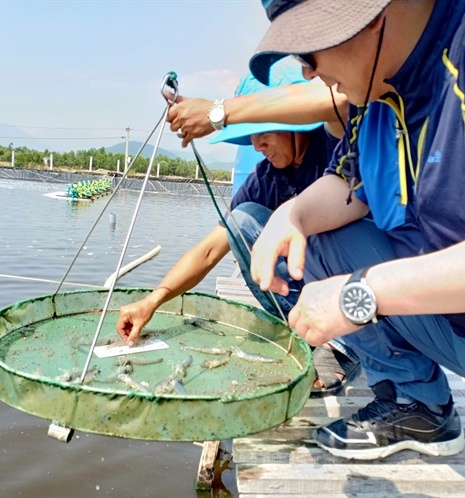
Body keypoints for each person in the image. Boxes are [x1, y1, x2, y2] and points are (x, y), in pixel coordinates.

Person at [246, 0, 465, 460]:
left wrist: (361, 293)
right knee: (314, 239)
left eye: (308, 54)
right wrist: (290, 216)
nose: (307, 75)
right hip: (459, 322)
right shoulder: (376, 91)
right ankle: (419, 407)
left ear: (369, 14)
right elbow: (348, 182)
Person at [116, 58, 360, 397]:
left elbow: (337, 99)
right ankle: (306, 332)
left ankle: (340, 344)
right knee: (240, 222)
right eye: (251, 135)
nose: (257, 145)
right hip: (310, 283)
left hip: (359, 278)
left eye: (264, 131)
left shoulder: (335, 139)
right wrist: (153, 301)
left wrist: (217, 112)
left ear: (295, 122)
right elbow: (209, 251)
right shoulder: (265, 179)